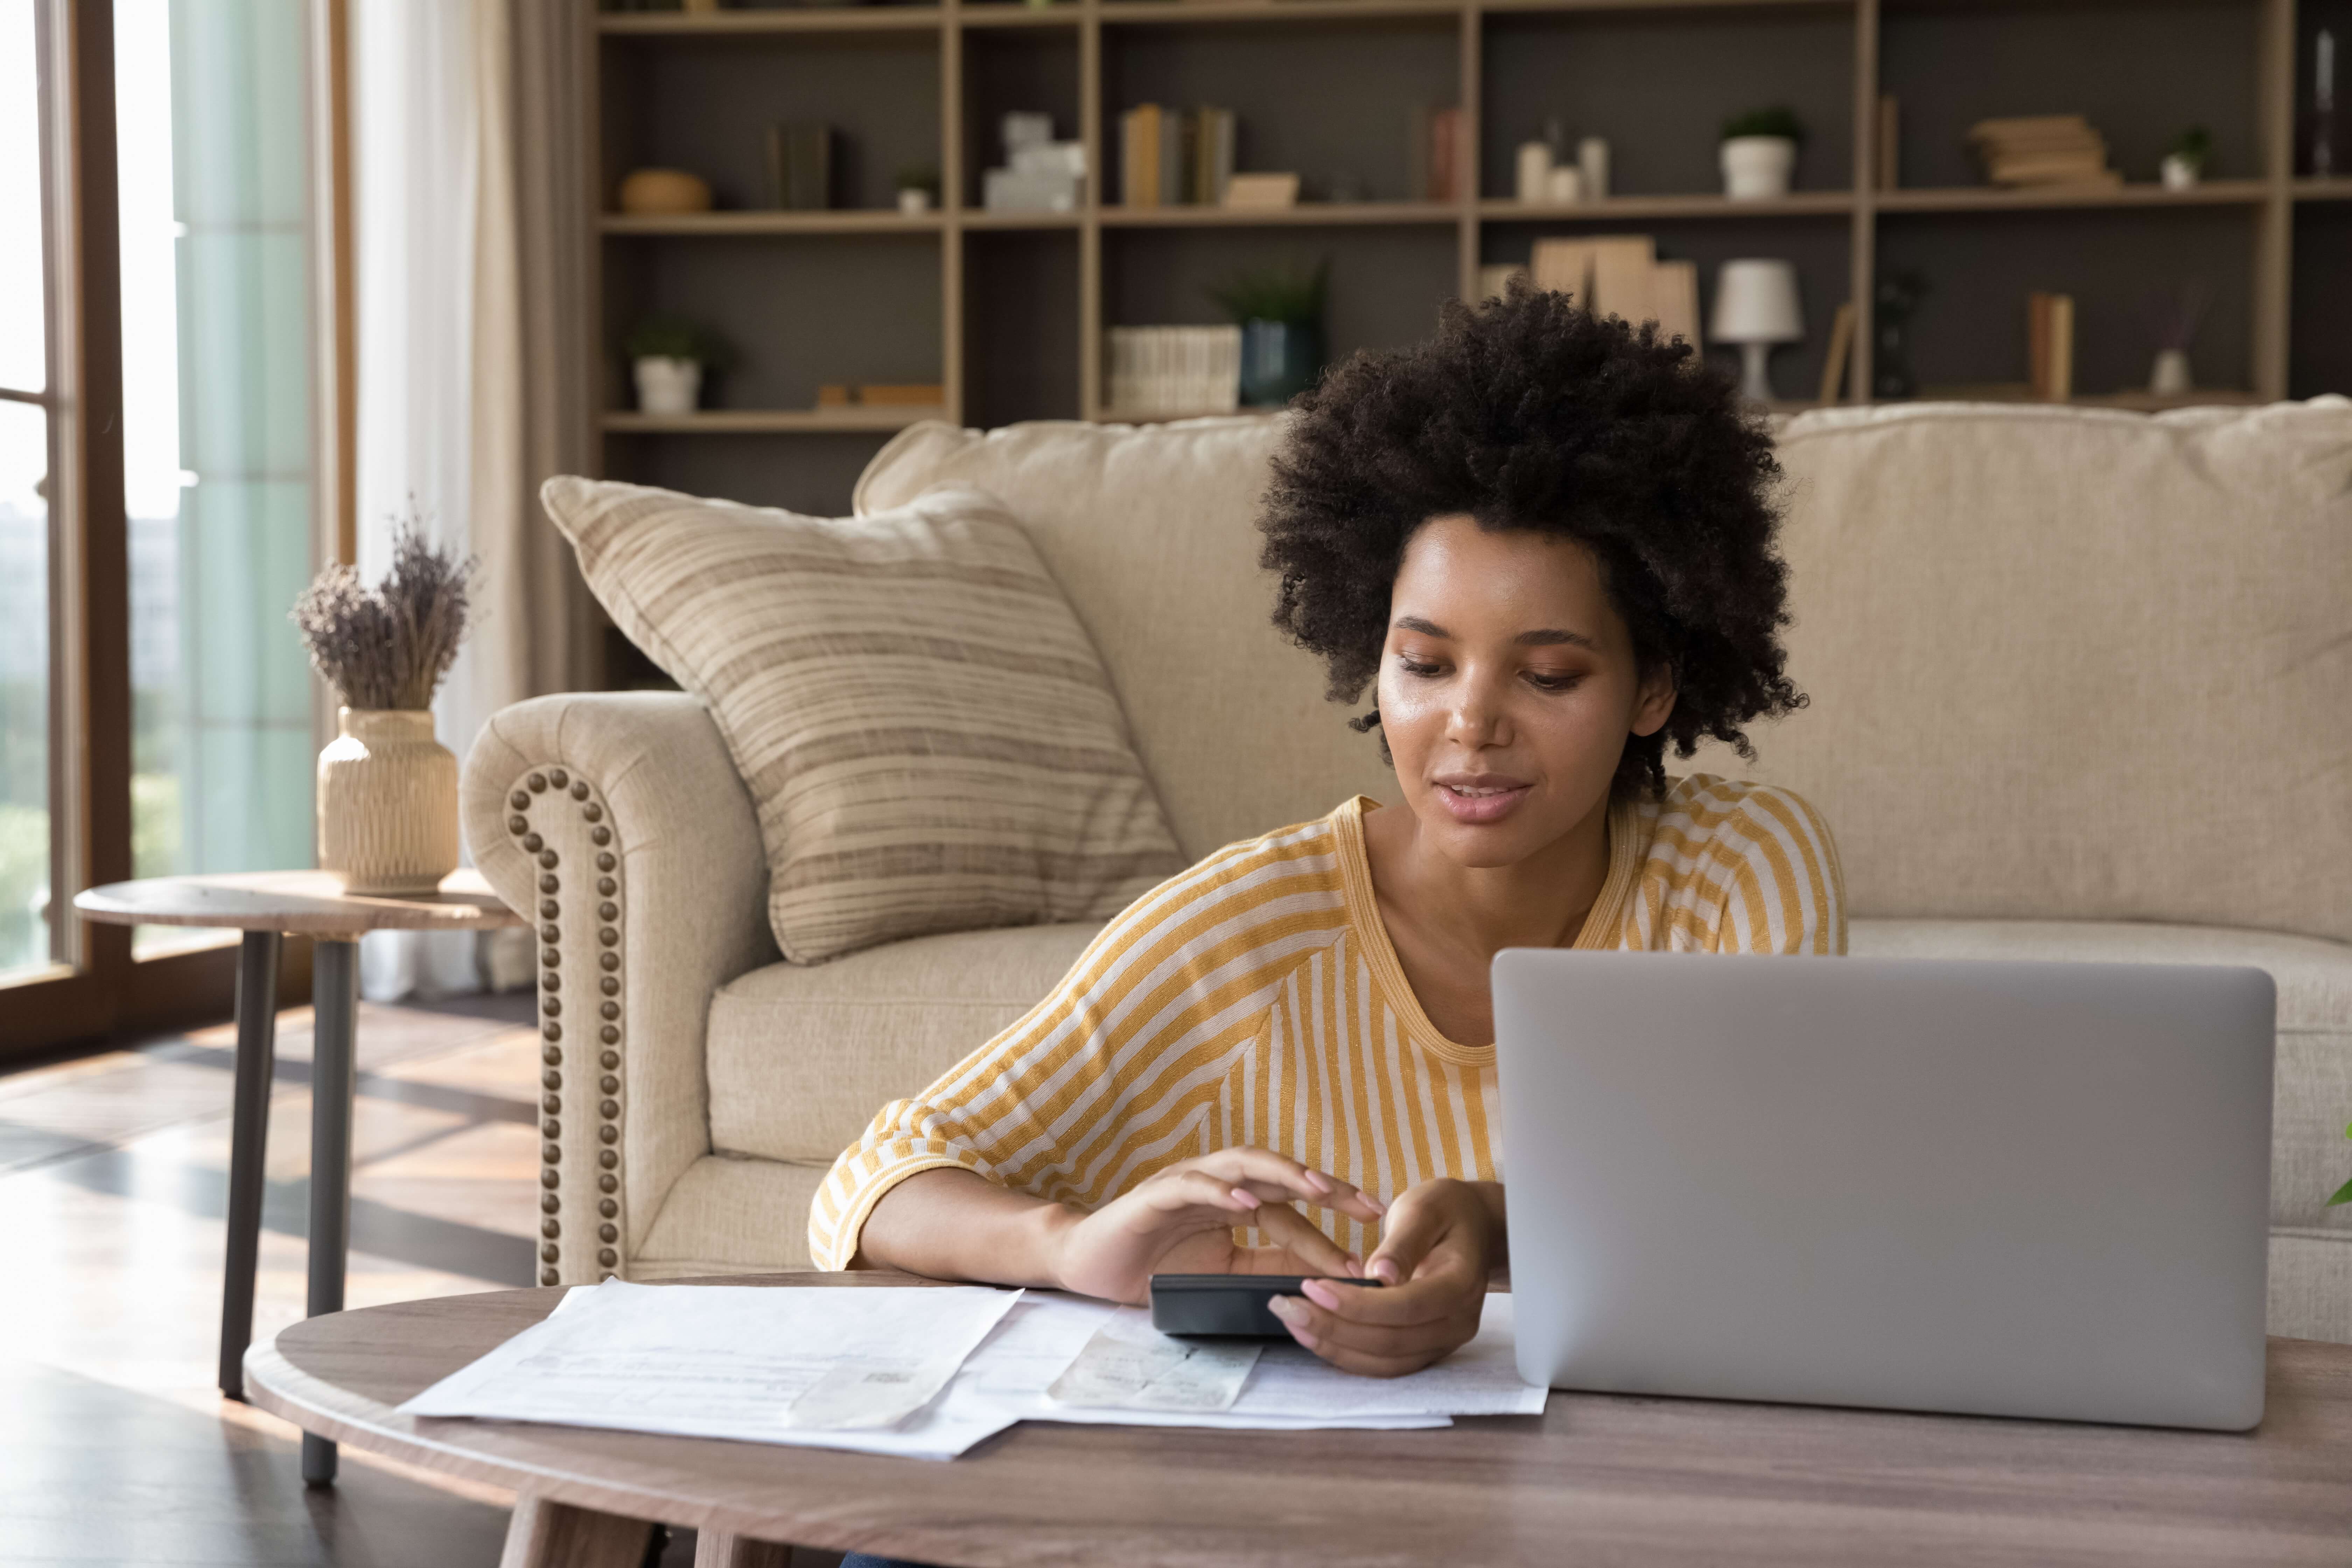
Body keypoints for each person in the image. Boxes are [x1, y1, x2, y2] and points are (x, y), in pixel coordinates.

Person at [817, 284, 1843, 1563]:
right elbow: (878, 1181)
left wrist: (1497, 1221)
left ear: (1655, 689)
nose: (1471, 723)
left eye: (1550, 673)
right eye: (1425, 664)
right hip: (1277, 1517)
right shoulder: (1248, 930)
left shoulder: (1733, 871)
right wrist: (1079, 1246)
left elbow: (1782, 1204)